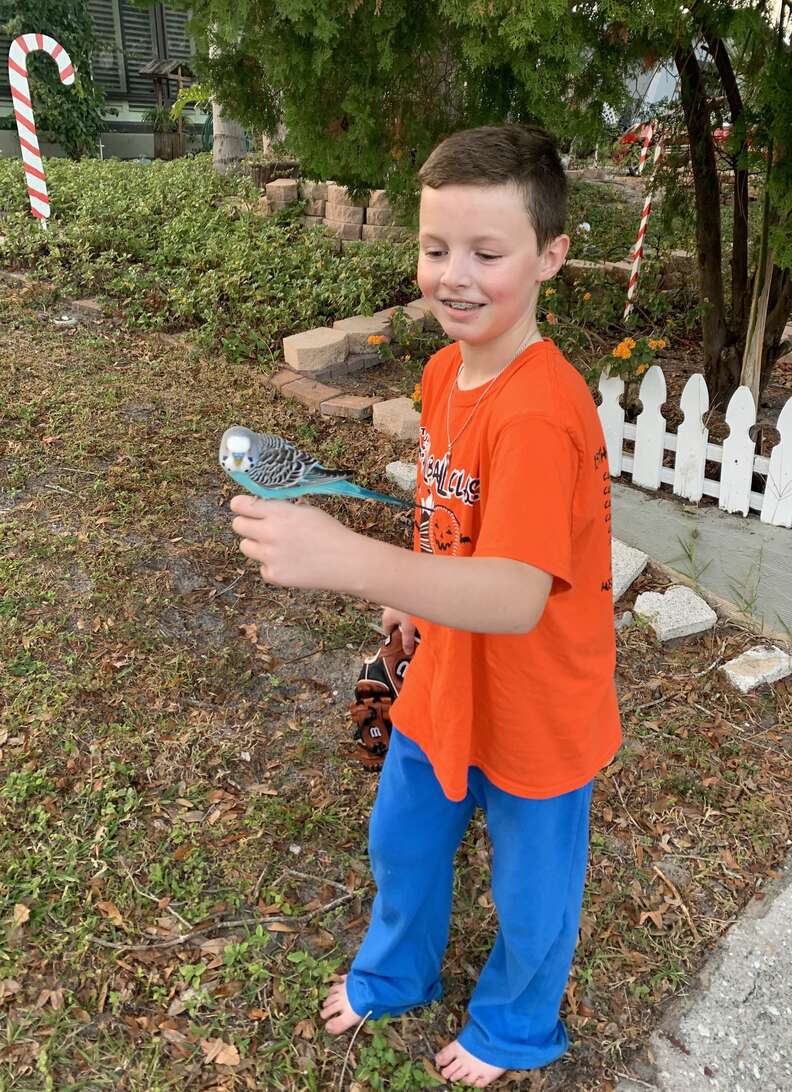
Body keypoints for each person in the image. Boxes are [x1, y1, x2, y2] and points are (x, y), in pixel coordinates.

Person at [230, 123, 621, 1088]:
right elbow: (447, 515)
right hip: (444, 676)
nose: (455, 276)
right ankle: (397, 972)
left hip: (537, 704)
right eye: (436, 247)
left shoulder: (540, 413)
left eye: (487, 253)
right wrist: (411, 598)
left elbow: (517, 595)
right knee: (402, 841)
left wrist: (350, 561)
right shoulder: (447, 371)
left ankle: (515, 1025)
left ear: (551, 256)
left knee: (532, 895)